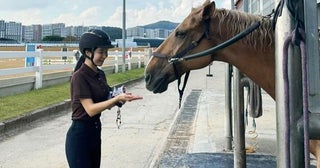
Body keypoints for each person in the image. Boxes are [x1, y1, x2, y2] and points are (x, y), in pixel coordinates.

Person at [65, 29, 142, 168]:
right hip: (80, 136)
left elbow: (105, 100)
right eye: (101, 52)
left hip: (95, 132)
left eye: (106, 52)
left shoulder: (100, 74)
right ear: (88, 52)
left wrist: (119, 98)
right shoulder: (79, 76)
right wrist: (115, 99)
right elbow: (90, 109)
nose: (105, 56)